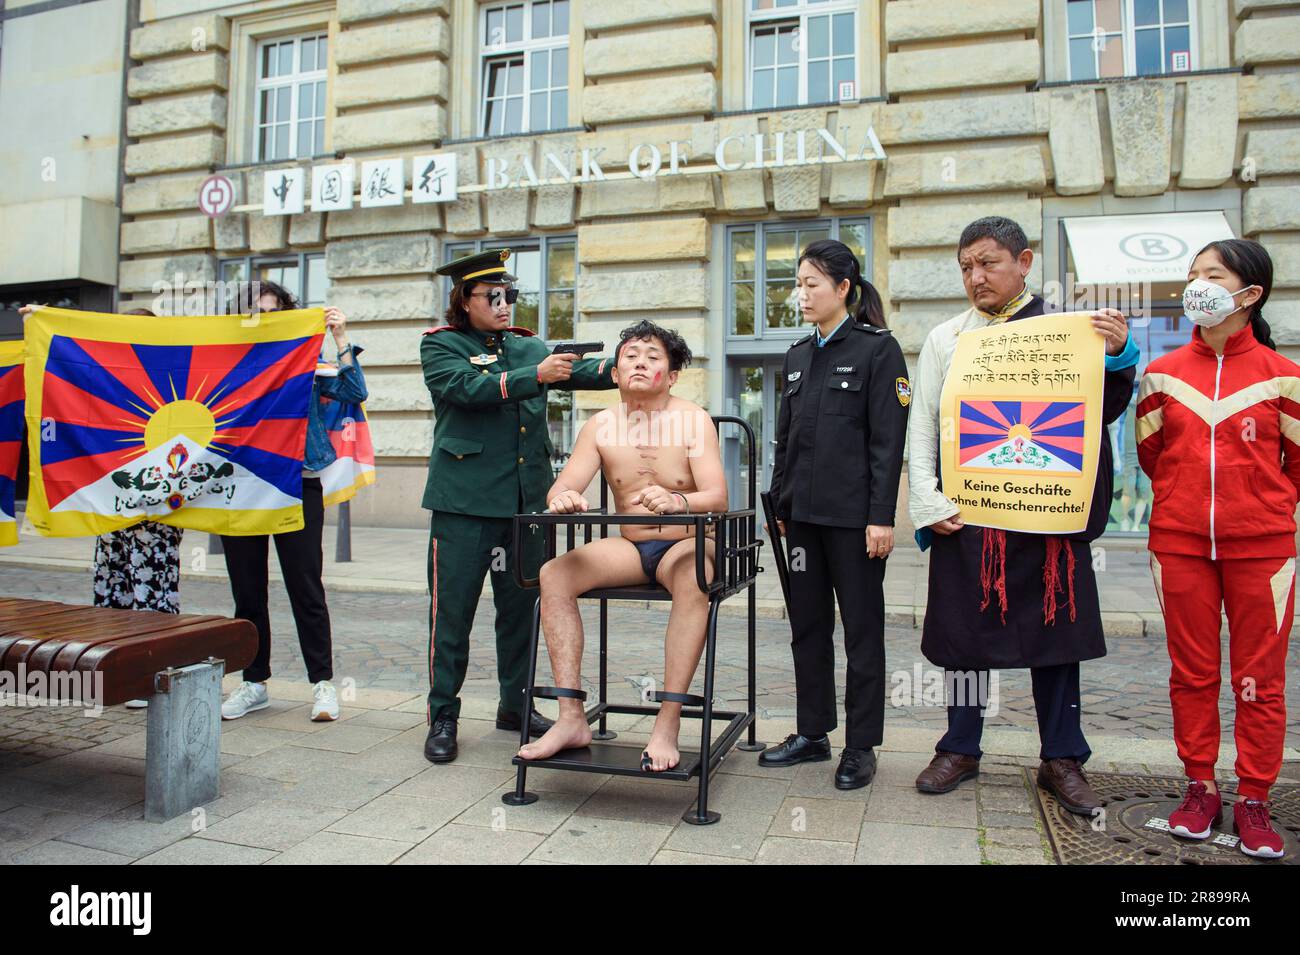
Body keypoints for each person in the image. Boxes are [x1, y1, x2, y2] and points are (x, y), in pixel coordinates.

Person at [907, 216, 1136, 814]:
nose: (975, 277)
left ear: (1025, 262)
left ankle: (1061, 758)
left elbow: (1100, 414)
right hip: (970, 517)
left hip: (1048, 517)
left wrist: (1117, 355)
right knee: (963, 639)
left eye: (988, 263)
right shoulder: (947, 337)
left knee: (1055, 637)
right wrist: (927, 500)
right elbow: (925, 423)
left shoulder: (1070, 332)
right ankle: (959, 746)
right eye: (965, 267)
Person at [420, 249, 617, 764]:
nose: (505, 305)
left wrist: (633, 363)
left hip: (523, 505)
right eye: (494, 297)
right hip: (464, 505)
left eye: (510, 296)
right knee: (452, 616)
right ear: (465, 301)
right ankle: (443, 714)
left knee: (520, 611)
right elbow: (467, 389)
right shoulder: (442, 347)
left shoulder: (526, 346)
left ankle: (516, 705)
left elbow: (581, 372)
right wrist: (537, 376)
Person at [1136, 239, 1293, 859]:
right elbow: (1155, 459)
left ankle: (1255, 797)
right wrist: (1186, 503)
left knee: (1261, 678)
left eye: (1212, 275)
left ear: (1249, 294)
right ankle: (1199, 788)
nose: (1196, 284)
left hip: (1264, 550)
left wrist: (1255, 507)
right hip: (1179, 546)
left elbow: (1296, 468)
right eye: (1192, 274)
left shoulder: (1286, 379)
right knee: (1193, 673)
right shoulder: (1163, 374)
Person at [517, 320, 725, 772]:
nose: (639, 363)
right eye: (630, 356)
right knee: (555, 573)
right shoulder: (600, 425)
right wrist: (564, 497)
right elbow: (564, 485)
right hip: (631, 547)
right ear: (614, 372)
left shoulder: (693, 420)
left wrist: (677, 500)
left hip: (687, 544)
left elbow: (717, 496)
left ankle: (666, 724)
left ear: (671, 376)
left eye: (653, 358)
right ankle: (571, 716)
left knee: (694, 580)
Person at [757, 239, 910, 790]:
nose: (801, 294)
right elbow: (785, 438)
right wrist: (778, 502)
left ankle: (862, 745)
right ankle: (812, 733)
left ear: (843, 288)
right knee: (808, 627)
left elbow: (887, 444)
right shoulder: (797, 354)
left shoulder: (877, 350)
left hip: (854, 522)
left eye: (811, 284)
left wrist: (881, 517)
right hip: (801, 520)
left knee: (862, 631)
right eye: (798, 284)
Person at [218, 281, 366, 723]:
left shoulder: (307, 363)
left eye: (274, 311)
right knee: (247, 590)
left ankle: (322, 684)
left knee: (305, 585)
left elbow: (354, 392)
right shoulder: (227, 364)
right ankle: (253, 682)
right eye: (257, 313)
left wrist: (341, 338)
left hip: (297, 482)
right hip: (239, 485)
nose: (266, 320)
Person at [19, 305, 180, 710]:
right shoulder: (107, 377)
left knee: (152, 591)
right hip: (113, 504)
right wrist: (39, 322)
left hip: (155, 510)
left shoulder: (169, 378)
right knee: (114, 585)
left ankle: (149, 674)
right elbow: (56, 375)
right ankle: (115, 673)